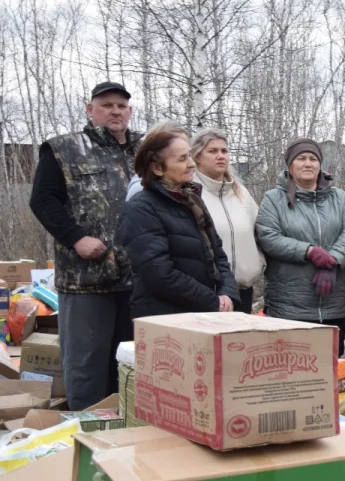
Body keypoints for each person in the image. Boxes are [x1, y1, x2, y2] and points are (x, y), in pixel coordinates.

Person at [29, 81, 142, 409]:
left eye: (121, 105)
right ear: (89, 110)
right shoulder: (64, 148)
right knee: (86, 367)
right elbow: (43, 201)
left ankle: (127, 435)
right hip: (86, 279)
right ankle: (87, 438)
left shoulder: (146, 150)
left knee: (130, 364)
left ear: (130, 111)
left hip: (138, 278)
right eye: (106, 105)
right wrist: (75, 237)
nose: (115, 111)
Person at [118, 125, 239, 318]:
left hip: (205, 313)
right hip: (164, 319)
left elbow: (217, 254)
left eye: (190, 156)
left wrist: (227, 293)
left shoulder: (192, 200)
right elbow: (158, 273)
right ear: (157, 168)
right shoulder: (141, 208)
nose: (191, 164)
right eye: (182, 159)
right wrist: (211, 300)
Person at [256, 138, 345, 356]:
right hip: (290, 305)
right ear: (290, 165)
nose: (308, 163)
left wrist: (332, 262)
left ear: (320, 165)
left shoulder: (338, 197)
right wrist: (309, 251)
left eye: (313, 159)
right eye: (301, 158)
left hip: (335, 302)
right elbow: (268, 236)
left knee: (333, 369)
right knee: (292, 371)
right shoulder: (274, 199)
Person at [190, 129, 265, 313]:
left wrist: (258, 265)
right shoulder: (190, 192)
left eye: (224, 151)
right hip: (209, 293)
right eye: (213, 151)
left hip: (243, 289)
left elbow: (261, 231)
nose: (220, 156)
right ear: (197, 156)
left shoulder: (241, 193)